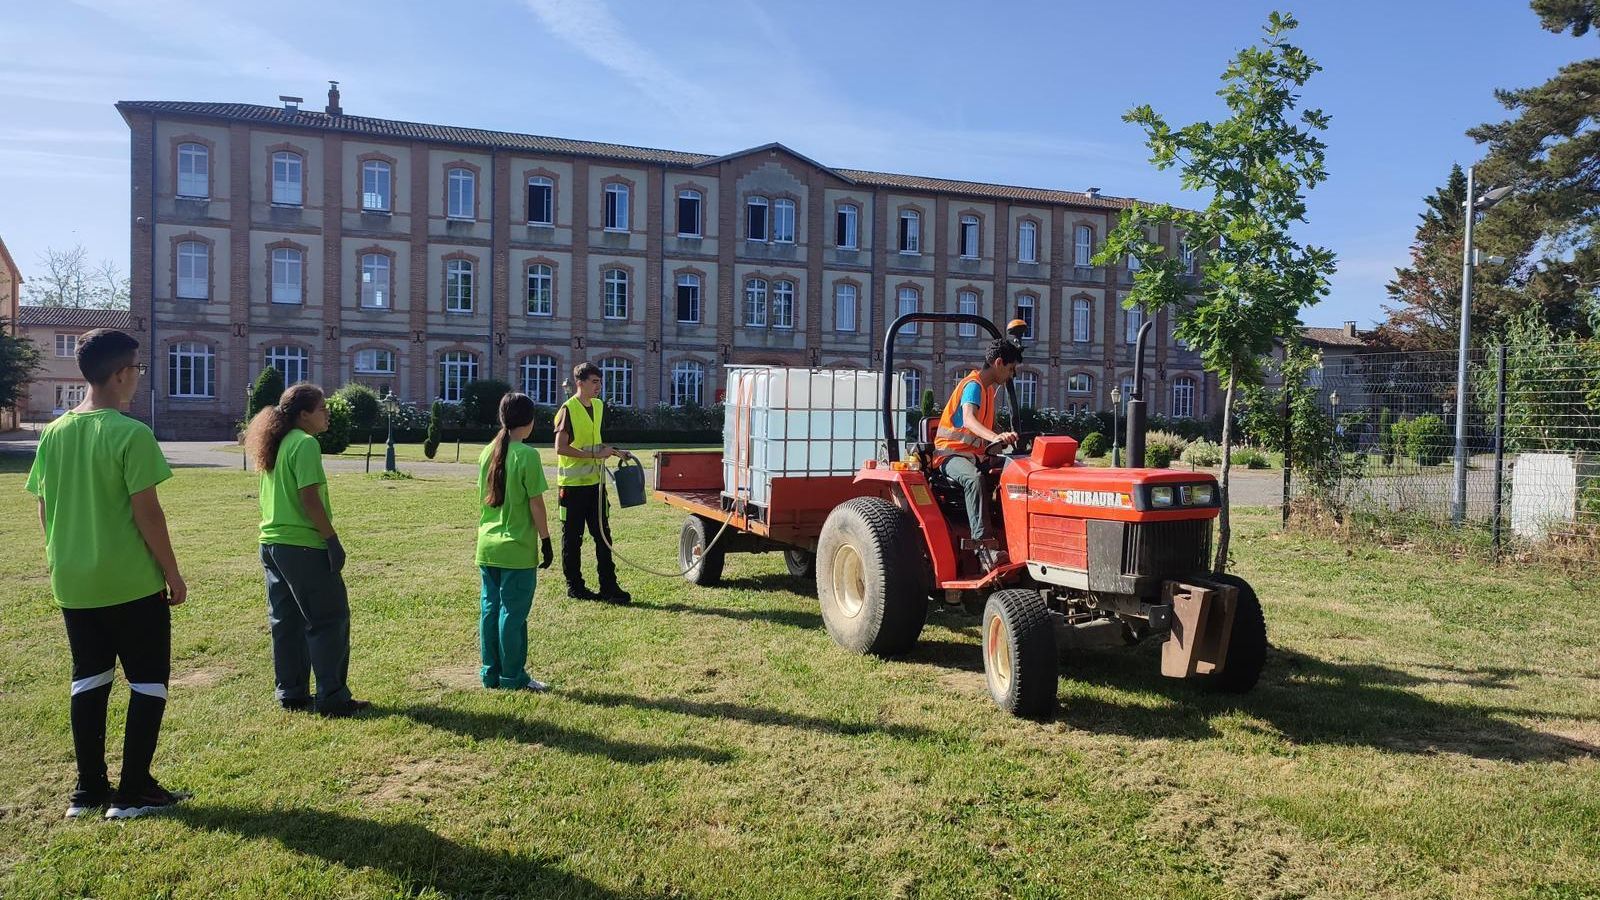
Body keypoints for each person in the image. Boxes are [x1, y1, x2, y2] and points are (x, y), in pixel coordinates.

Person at [24, 328, 190, 819]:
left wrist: (58, 555)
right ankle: (133, 790)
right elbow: (148, 513)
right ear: (121, 374)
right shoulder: (130, 433)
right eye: (137, 369)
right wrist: (173, 574)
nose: (138, 377)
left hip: (73, 582)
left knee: (89, 680)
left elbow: (44, 505)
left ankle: (87, 789)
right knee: (147, 682)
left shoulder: (53, 432)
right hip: (130, 583)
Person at [244, 383, 369, 718]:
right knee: (328, 619)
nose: (327, 413)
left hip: (272, 545)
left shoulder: (276, 442)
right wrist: (332, 539)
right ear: (303, 414)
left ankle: (291, 692)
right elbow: (309, 499)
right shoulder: (305, 443)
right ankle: (333, 698)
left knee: (286, 621)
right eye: (322, 407)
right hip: (303, 546)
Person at [476, 392, 555, 691]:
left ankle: (490, 673)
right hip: (517, 548)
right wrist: (546, 540)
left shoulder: (487, 452)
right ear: (530, 421)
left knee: (490, 610)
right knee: (513, 613)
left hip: (487, 545)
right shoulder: (527, 455)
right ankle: (512, 676)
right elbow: (536, 503)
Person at [933, 338, 1023, 572]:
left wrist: (1005, 437)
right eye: (1011, 369)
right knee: (974, 479)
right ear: (999, 363)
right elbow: (969, 420)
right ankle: (985, 550)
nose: (1011, 375)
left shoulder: (988, 391)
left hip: (974, 456)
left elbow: (984, 431)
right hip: (949, 456)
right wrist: (995, 437)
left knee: (1018, 470)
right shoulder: (973, 386)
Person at [553, 362, 633, 603]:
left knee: (603, 536)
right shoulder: (567, 409)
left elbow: (596, 442)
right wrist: (593, 455)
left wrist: (616, 452)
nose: (599, 386)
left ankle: (609, 587)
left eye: (600, 381)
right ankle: (575, 587)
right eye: (594, 381)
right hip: (572, 488)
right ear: (580, 383)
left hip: (596, 486)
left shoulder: (598, 407)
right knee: (572, 538)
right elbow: (560, 448)